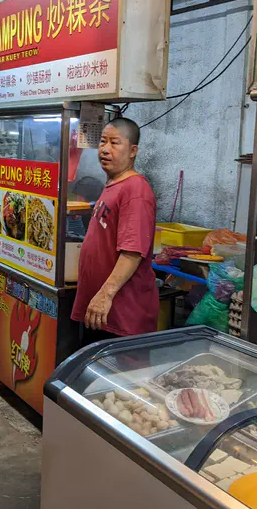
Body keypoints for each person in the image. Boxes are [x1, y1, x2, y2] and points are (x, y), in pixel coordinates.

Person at [70, 118, 159, 346]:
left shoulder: (135, 189)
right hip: (101, 314)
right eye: (102, 142)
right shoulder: (113, 185)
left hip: (121, 316)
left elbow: (132, 252)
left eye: (115, 143)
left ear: (132, 151)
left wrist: (105, 294)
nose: (105, 149)